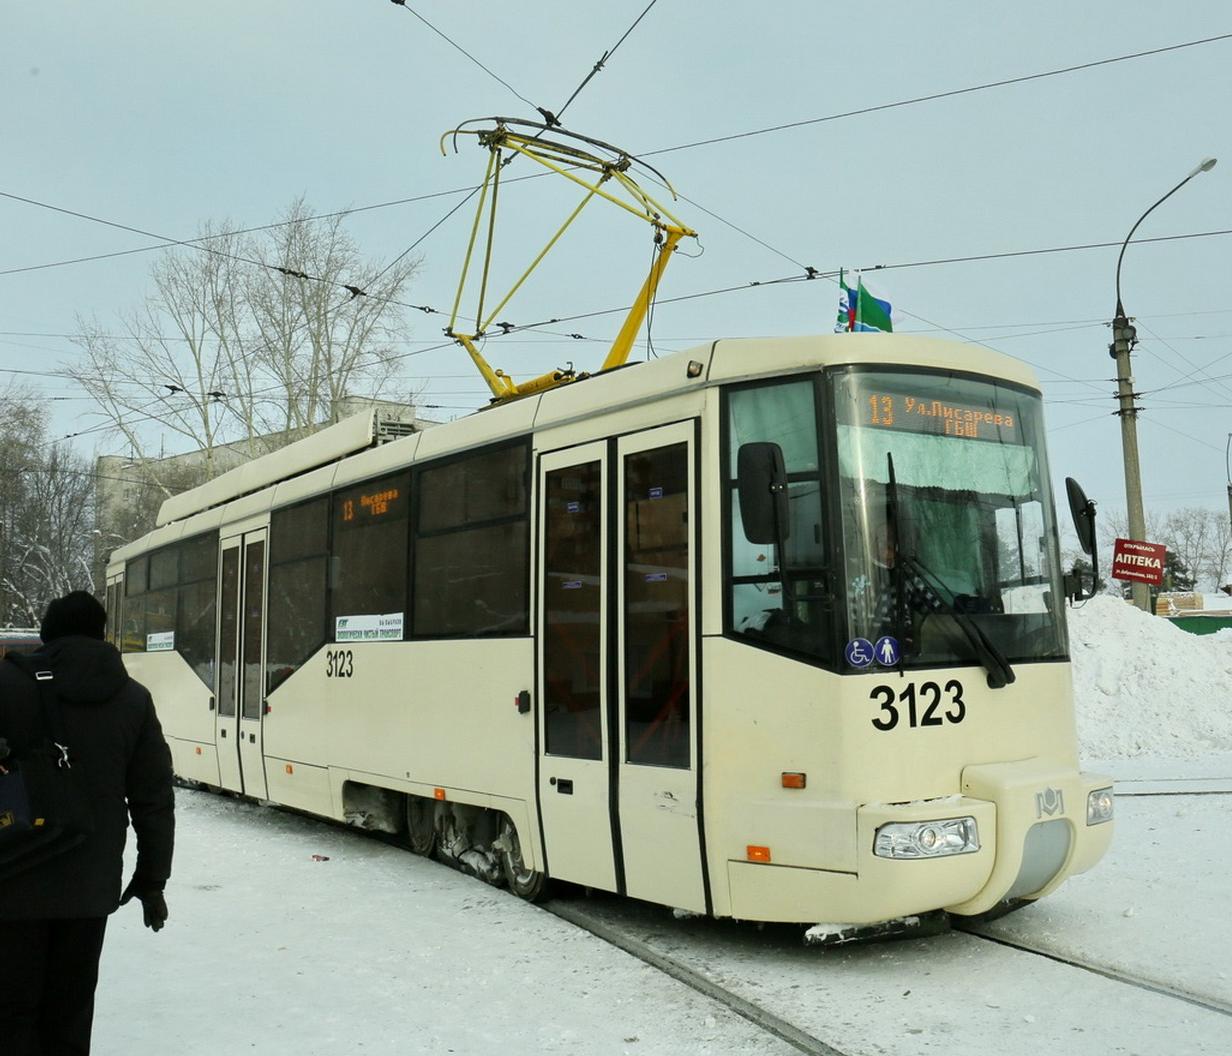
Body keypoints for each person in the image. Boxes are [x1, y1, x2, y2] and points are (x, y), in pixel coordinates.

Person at [0, 591, 174, 1056]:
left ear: (46, 634)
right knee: (70, 1012)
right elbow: (153, 799)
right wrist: (152, 879)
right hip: (88, 884)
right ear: (101, 635)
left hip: (11, 874)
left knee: (12, 1012)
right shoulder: (133, 699)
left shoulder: (6, 684)